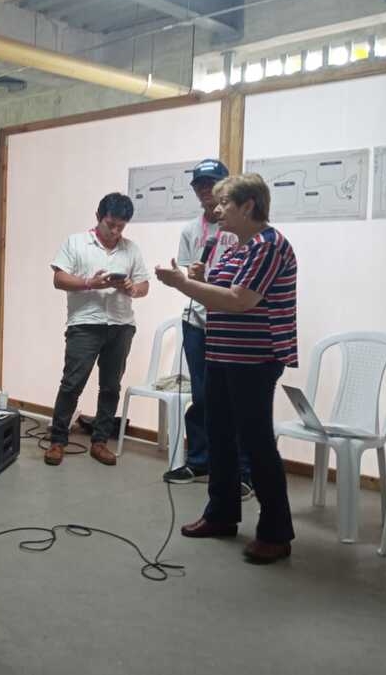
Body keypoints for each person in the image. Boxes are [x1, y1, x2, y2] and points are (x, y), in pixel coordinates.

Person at [155, 173, 297, 564]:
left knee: (255, 441)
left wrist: (183, 284)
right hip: (221, 353)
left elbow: (238, 300)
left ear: (249, 205)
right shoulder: (237, 246)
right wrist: (202, 279)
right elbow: (222, 290)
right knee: (219, 435)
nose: (216, 210)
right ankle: (221, 514)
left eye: (224, 204)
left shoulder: (268, 246)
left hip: (254, 359)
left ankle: (276, 533)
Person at [166, 159, 253, 501]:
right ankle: (200, 460)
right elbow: (188, 275)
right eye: (199, 185)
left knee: (236, 399)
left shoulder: (242, 228)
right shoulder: (191, 230)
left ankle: (243, 472)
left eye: (212, 184)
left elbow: (245, 284)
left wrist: (209, 282)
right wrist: (186, 277)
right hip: (197, 322)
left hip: (231, 323)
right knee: (202, 396)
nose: (205, 190)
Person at [45, 193, 149, 468]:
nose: (115, 231)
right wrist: (90, 283)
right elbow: (59, 279)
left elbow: (144, 286)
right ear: (98, 217)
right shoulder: (76, 242)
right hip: (85, 324)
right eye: (110, 224)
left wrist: (132, 288)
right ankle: (58, 440)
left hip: (121, 325)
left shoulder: (131, 249)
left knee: (111, 387)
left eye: (121, 226)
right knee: (72, 384)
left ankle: (100, 441)